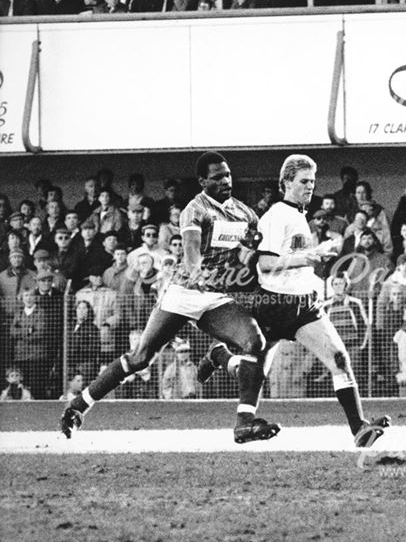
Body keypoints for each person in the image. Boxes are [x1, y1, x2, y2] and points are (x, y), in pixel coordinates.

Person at [60, 152, 278, 444]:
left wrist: (255, 251)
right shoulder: (195, 209)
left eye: (227, 175)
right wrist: (196, 269)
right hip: (183, 291)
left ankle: (244, 423)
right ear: (203, 181)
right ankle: (78, 406)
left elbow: (249, 250)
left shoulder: (245, 213)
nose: (225, 181)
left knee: (255, 342)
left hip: (216, 297)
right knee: (140, 358)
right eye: (217, 177)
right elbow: (190, 247)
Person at [196, 154, 389, 447]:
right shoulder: (277, 215)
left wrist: (312, 264)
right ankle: (220, 357)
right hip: (274, 305)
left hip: (303, 305)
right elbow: (265, 265)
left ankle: (359, 429)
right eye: (303, 181)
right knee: (254, 370)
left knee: (338, 358)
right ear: (286, 182)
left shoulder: (299, 215)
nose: (309, 187)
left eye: (312, 181)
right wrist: (307, 258)